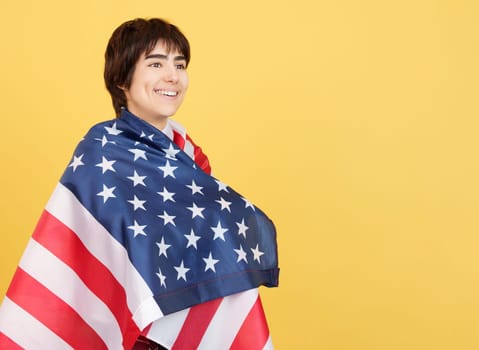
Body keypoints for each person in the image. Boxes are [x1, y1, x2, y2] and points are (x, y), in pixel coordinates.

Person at [0, 18, 279, 350]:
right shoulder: (101, 152)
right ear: (122, 80)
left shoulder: (190, 158)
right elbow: (86, 253)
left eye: (180, 64)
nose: (172, 76)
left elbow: (205, 248)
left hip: (183, 329)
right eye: (156, 63)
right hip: (135, 334)